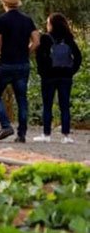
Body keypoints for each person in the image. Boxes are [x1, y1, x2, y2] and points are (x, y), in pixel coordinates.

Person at [0, 0, 39, 142]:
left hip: (6, 64)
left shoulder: (1, 20)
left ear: (4, 3)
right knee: (22, 99)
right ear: (18, 3)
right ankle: (22, 134)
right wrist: (26, 52)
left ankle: (6, 125)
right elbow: (36, 41)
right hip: (23, 65)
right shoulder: (27, 20)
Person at [33, 13, 81, 143]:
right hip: (65, 77)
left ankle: (46, 134)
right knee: (64, 106)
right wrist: (71, 71)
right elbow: (78, 57)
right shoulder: (69, 38)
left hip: (49, 77)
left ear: (51, 24)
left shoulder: (45, 38)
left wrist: (43, 72)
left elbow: (39, 56)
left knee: (47, 105)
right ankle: (66, 135)